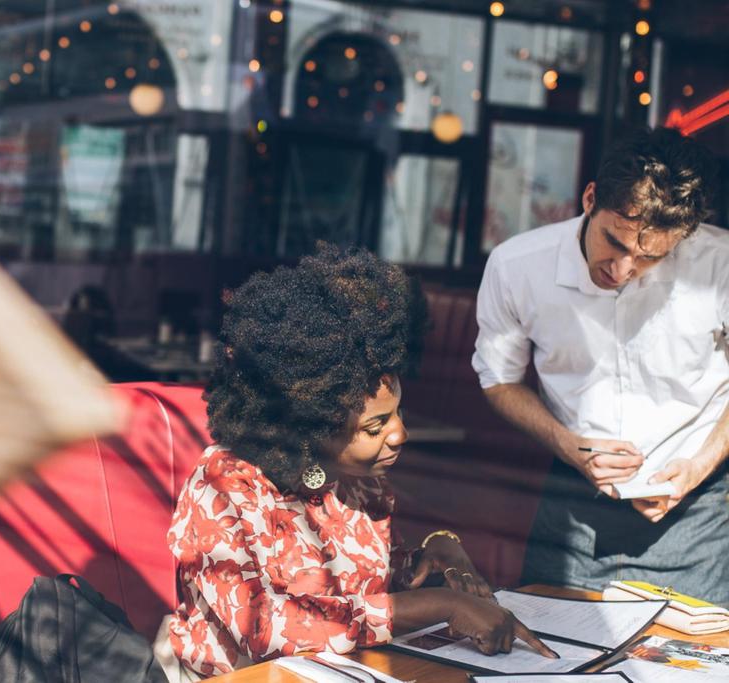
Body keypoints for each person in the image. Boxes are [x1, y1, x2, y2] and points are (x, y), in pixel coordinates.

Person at [155, 246, 556, 680]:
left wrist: (433, 554)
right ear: (312, 422)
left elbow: (365, 583)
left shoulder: (359, 481)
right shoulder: (224, 485)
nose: (400, 433)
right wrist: (439, 606)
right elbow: (263, 627)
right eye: (376, 425)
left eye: (399, 412)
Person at [472, 127, 728, 602]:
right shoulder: (516, 266)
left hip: (697, 516)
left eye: (651, 257)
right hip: (572, 508)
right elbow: (499, 380)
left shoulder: (721, 265)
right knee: (550, 666)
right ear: (590, 198)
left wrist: (697, 466)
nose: (623, 268)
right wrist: (569, 446)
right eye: (615, 241)